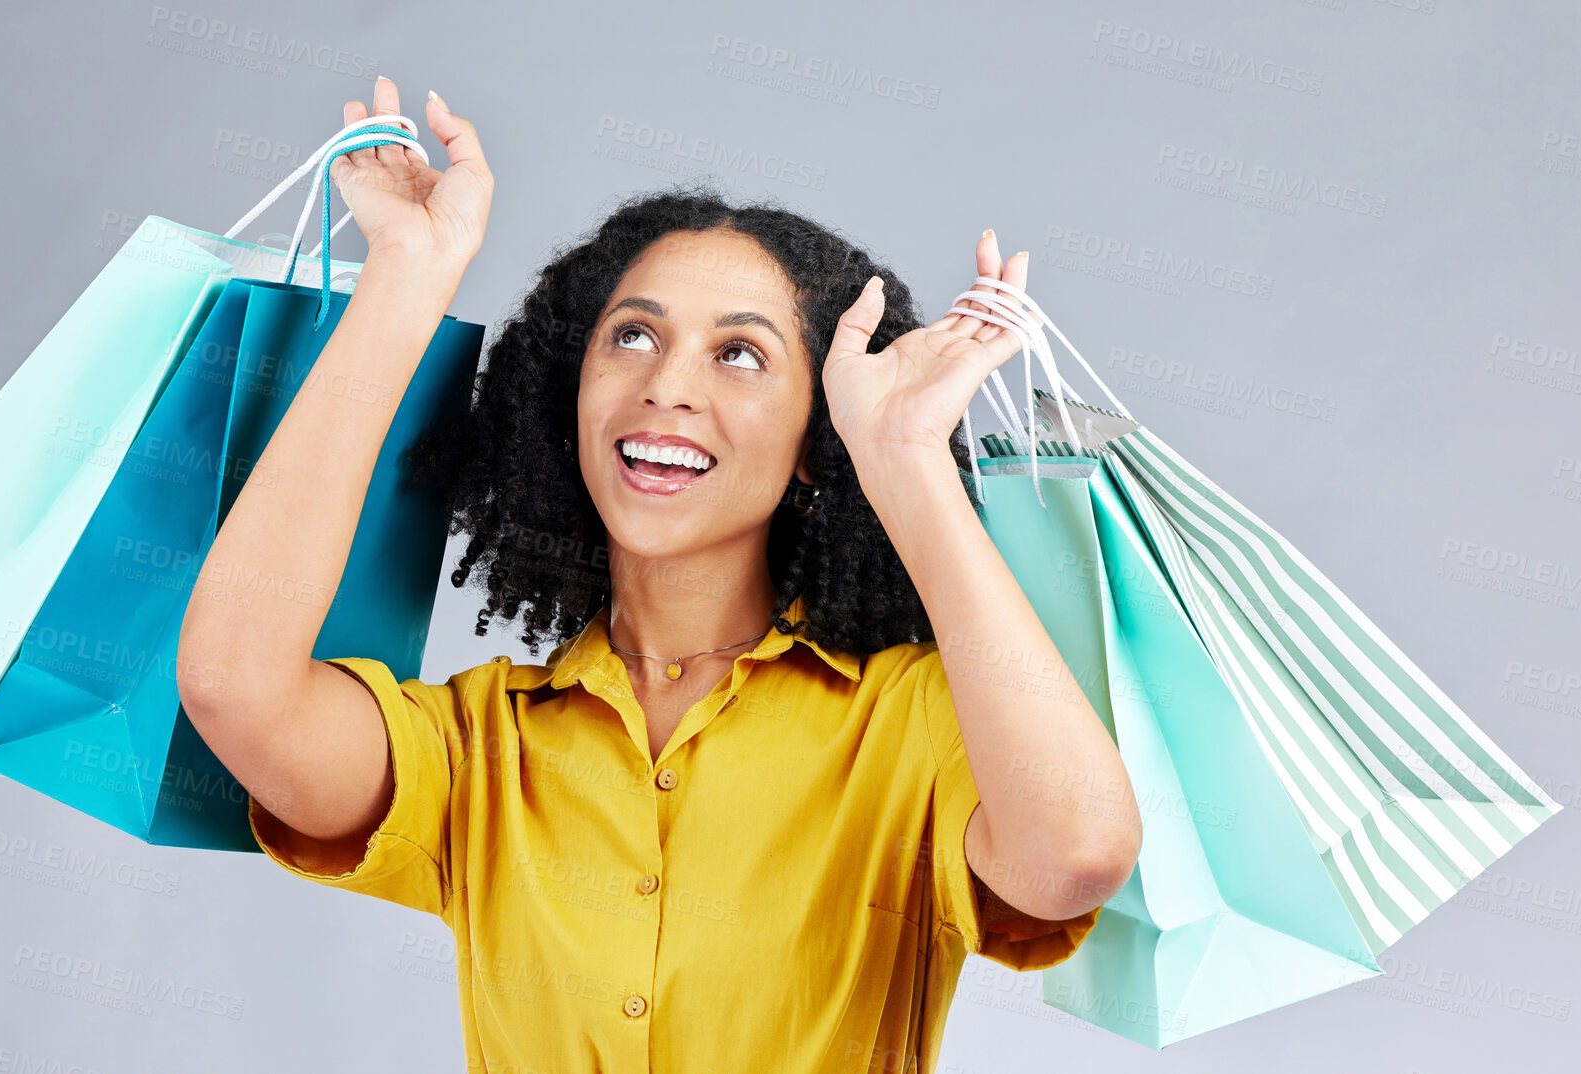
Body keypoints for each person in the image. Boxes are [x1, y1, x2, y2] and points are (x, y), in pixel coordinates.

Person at [179, 76, 1141, 1074]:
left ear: (818, 443)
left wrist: (903, 455)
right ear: (569, 402)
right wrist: (409, 275)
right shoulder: (478, 749)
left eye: (740, 354)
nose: (668, 385)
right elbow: (233, 687)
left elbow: (1074, 855)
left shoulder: (911, 723)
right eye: (633, 336)